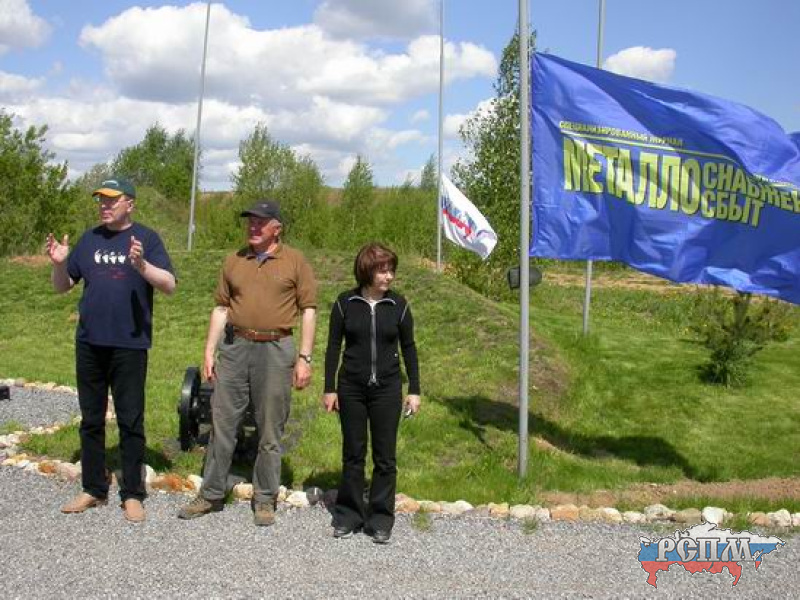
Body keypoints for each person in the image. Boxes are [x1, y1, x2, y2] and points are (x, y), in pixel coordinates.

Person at [178, 200, 317, 526]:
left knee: (270, 426)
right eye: (250, 222)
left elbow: (308, 310)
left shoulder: (296, 261)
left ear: (276, 228)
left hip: (276, 348)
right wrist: (209, 350)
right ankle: (211, 493)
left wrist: (304, 357)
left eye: (260, 222)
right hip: (235, 347)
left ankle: (265, 498)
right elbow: (221, 308)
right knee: (223, 422)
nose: (253, 227)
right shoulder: (234, 260)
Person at [46, 176, 176, 523]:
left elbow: (169, 285)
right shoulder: (89, 239)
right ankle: (93, 488)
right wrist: (59, 263)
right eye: (101, 200)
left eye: (111, 200)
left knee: (130, 420)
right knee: (91, 420)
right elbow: (62, 287)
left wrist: (142, 265)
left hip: (129, 344)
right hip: (89, 343)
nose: (104, 205)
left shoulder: (147, 238)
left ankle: (132, 493)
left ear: (129, 203)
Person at [322, 242, 421, 544]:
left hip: (387, 389)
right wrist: (329, 388)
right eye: (383, 271)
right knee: (353, 454)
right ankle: (348, 515)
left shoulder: (399, 305)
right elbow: (333, 347)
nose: (389, 276)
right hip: (351, 388)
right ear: (366, 271)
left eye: (391, 270)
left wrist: (414, 390)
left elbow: (409, 348)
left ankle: (380, 519)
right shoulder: (345, 303)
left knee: (385, 457)